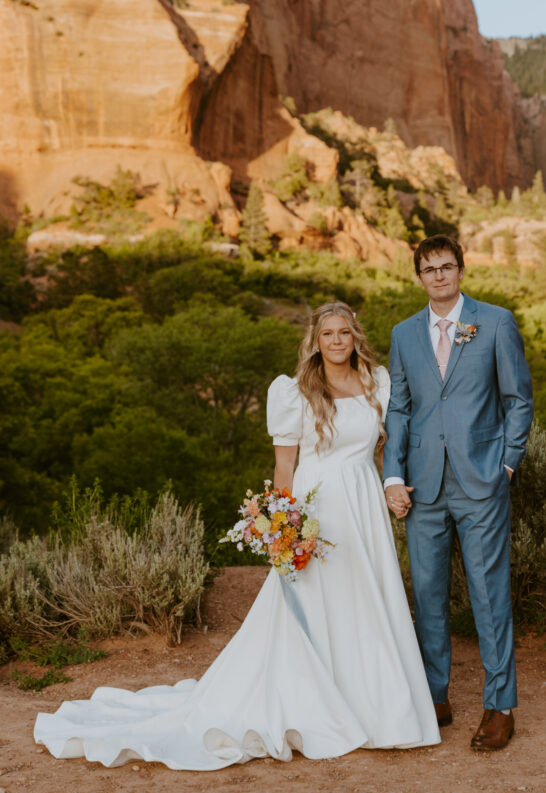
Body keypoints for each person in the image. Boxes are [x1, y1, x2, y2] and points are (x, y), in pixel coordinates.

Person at [34, 302, 440, 769]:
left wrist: (394, 482)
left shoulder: (377, 384)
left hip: (362, 503)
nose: (335, 341)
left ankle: (378, 708)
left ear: (355, 337)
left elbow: (394, 443)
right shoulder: (295, 393)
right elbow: (285, 465)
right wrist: (284, 526)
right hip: (317, 506)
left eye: (343, 332)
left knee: (367, 600)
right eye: (327, 333)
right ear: (315, 340)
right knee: (315, 603)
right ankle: (318, 704)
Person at [383, 234, 533, 751]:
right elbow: (398, 410)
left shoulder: (494, 322)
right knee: (426, 595)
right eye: (430, 269)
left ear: (462, 271)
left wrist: (507, 466)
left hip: (482, 481)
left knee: (489, 594)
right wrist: (393, 475)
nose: (439, 276)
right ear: (419, 277)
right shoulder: (403, 334)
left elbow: (518, 400)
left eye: (448, 267)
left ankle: (499, 706)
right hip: (423, 485)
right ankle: (435, 696)